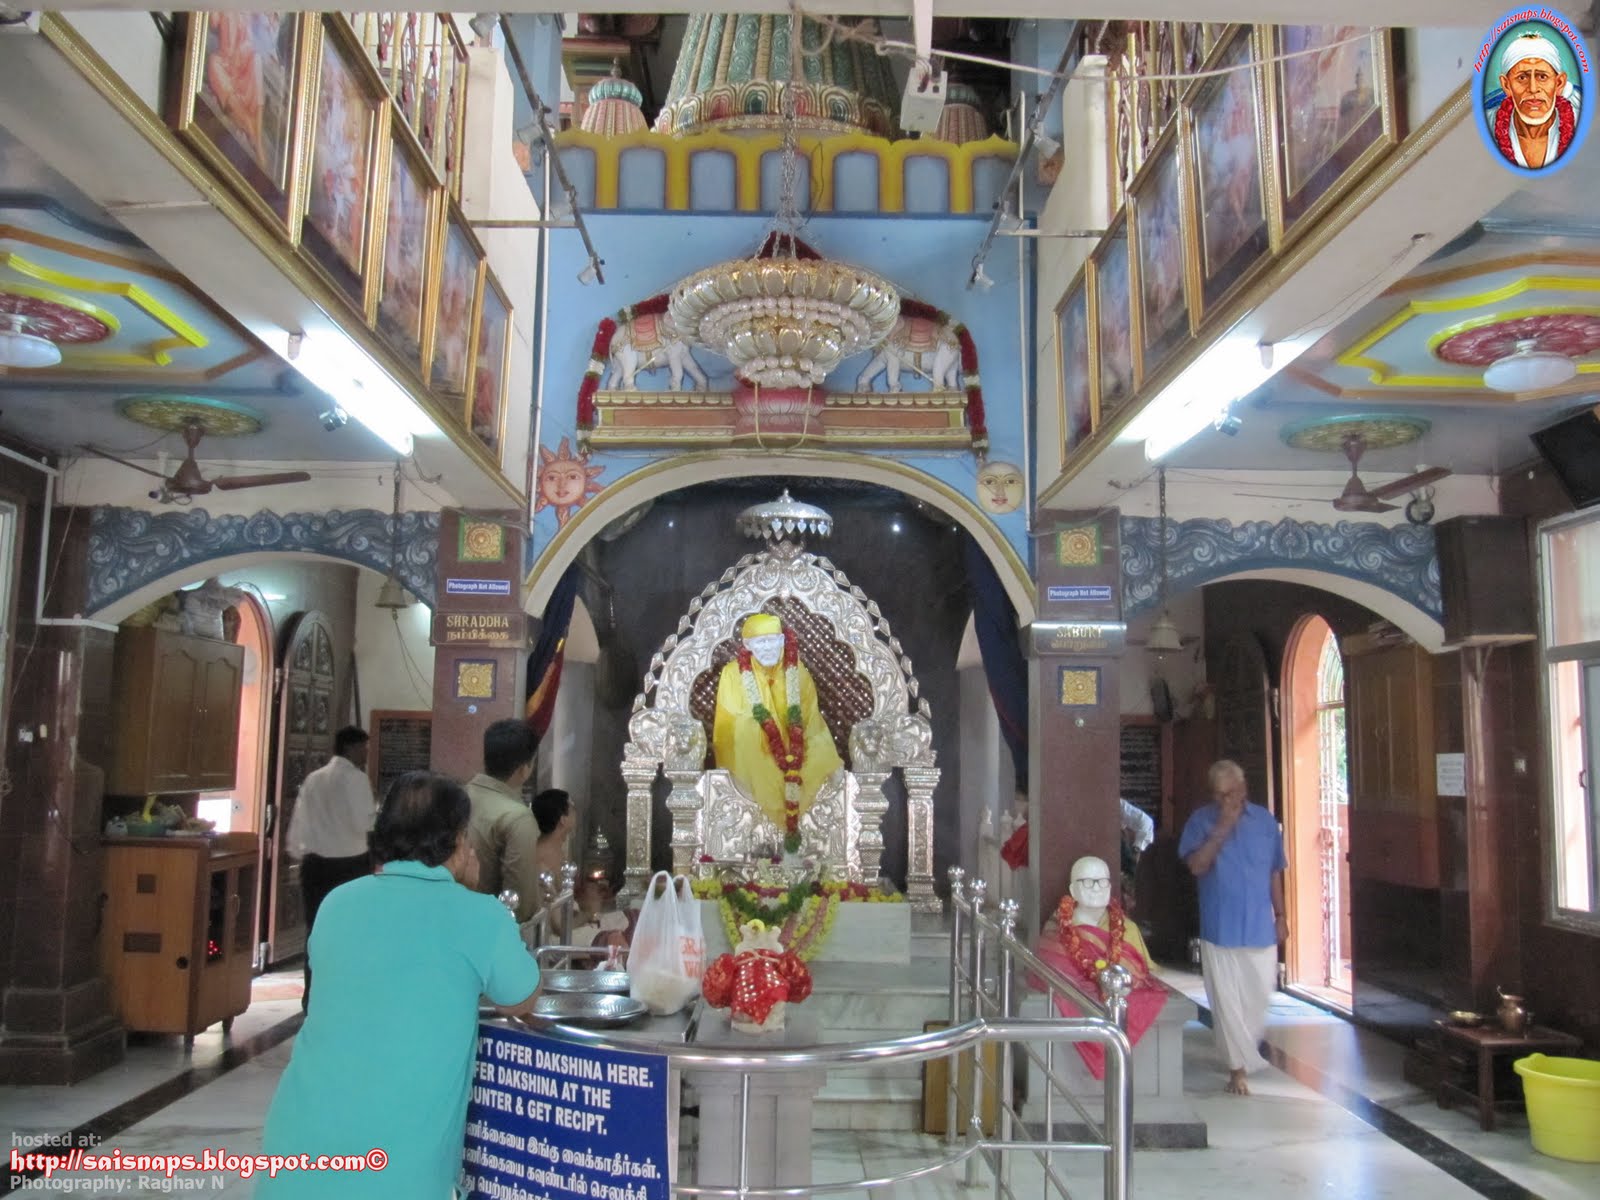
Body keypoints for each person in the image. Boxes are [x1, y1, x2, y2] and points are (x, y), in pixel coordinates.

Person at [258, 772, 541, 1199]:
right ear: (458, 840)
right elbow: (522, 997)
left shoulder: (337, 903)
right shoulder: (479, 915)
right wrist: (468, 892)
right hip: (398, 1167)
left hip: (298, 1146)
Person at [1178, 759, 1288, 1096]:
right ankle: (1236, 1068)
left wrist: (1281, 916)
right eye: (1219, 795)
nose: (1226, 800)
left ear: (1243, 789)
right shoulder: (1201, 821)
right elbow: (1196, 866)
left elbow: (1274, 871)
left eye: (1231, 793)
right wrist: (1222, 828)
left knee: (1256, 999)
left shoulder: (1265, 822)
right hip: (1220, 928)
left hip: (1259, 927)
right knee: (1227, 1005)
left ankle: (1243, 1052)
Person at [712, 613, 843, 850]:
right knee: (747, 730)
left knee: (821, 748)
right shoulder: (733, 673)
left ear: (782, 641)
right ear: (748, 645)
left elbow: (809, 714)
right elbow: (731, 718)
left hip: (796, 744)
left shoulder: (796, 671)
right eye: (761, 642)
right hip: (755, 747)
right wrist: (767, 734)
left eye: (773, 641)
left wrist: (797, 742)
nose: (768, 647)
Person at [1035, 855, 1167, 1079]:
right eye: (1088, 882)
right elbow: (1052, 969)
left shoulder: (1128, 929)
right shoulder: (1058, 930)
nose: (1097, 888)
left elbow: (1140, 972)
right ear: (1073, 890)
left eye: (1103, 881)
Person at [286, 725, 375, 1011]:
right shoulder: (356, 779)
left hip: (315, 866)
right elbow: (365, 823)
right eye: (364, 748)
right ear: (351, 748)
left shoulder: (313, 779)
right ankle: (344, 996)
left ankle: (312, 996)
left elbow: (298, 824)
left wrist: (297, 853)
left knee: (316, 931)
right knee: (350, 932)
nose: (366, 754)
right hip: (351, 867)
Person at [464, 719, 541, 923]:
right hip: (487, 928)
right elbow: (520, 904)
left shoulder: (456, 796)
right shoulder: (518, 817)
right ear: (524, 768)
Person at [1490, 30, 1580, 170]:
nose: (1532, 89)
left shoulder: (1581, 123)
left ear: (1559, 83)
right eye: (1522, 78)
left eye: (1542, 77)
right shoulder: (1489, 124)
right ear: (1507, 85)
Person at [530, 788, 577, 913]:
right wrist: (588, 912)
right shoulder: (541, 858)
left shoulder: (558, 849)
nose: (576, 812)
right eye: (572, 807)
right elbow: (556, 919)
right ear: (563, 820)